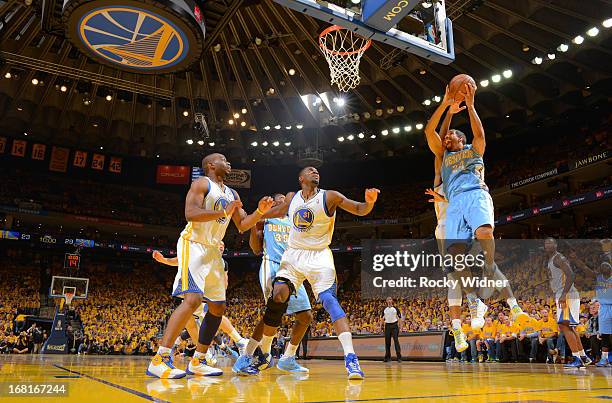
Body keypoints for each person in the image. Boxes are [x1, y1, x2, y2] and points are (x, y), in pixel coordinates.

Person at [235, 166, 379, 379]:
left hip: (319, 256)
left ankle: (351, 359)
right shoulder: (292, 198)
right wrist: (259, 212)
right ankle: (252, 354)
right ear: (301, 178)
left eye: (317, 170)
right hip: (293, 256)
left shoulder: (330, 196)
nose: (315, 172)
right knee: (278, 298)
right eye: (310, 170)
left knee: (328, 302)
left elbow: (359, 209)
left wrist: (370, 202)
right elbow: (275, 212)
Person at [146, 153, 273, 379]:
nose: (230, 162)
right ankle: (160, 358)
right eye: (224, 159)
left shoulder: (232, 193)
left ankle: (199, 360)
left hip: (213, 249)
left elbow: (243, 224)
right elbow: (190, 213)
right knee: (193, 299)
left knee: (217, 307)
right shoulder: (202, 183)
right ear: (212, 165)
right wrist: (223, 211)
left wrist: (260, 212)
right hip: (193, 243)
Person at [424, 82, 528, 354]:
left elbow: (479, 133)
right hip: (456, 203)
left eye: (450, 137)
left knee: (484, 234)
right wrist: (446, 105)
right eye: (444, 139)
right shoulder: (443, 158)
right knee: (457, 259)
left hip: (475, 194)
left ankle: (492, 273)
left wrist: (470, 106)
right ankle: (474, 301)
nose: (446, 140)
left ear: (461, 139)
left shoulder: (473, 150)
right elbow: (430, 131)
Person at [233, 193, 313, 374]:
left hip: (293, 269)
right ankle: (249, 355)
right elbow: (255, 248)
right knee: (274, 308)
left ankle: (288, 358)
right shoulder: (265, 219)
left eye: (282, 202)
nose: (278, 203)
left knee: (306, 316)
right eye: (275, 202)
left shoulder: (295, 221)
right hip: (272, 265)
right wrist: (253, 225)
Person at [151, 242, 249, 356]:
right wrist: (164, 260)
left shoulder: (223, 263)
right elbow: (182, 260)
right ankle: (203, 354)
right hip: (193, 290)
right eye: (219, 244)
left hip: (204, 293)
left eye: (223, 245)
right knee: (190, 325)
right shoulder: (201, 253)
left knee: (213, 315)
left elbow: (225, 282)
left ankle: (238, 341)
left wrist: (220, 289)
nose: (222, 246)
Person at [543, 238, 591, 368]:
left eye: (550, 243)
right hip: (565, 293)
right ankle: (583, 357)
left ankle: (576, 359)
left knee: (564, 326)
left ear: (556, 245)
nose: (548, 245)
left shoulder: (559, 258)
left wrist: (563, 294)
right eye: (546, 243)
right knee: (570, 327)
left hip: (567, 294)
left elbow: (571, 275)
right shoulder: (552, 260)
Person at [382, 297, 402, 362]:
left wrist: (400, 327)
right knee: (387, 342)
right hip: (387, 326)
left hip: (394, 326)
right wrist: (380, 326)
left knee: (396, 341)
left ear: (392, 301)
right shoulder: (384, 309)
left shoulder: (396, 309)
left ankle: (399, 357)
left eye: (390, 299)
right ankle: (387, 357)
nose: (389, 301)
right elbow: (382, 318)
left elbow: (399, 318)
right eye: (388, 299)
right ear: (386, 301)